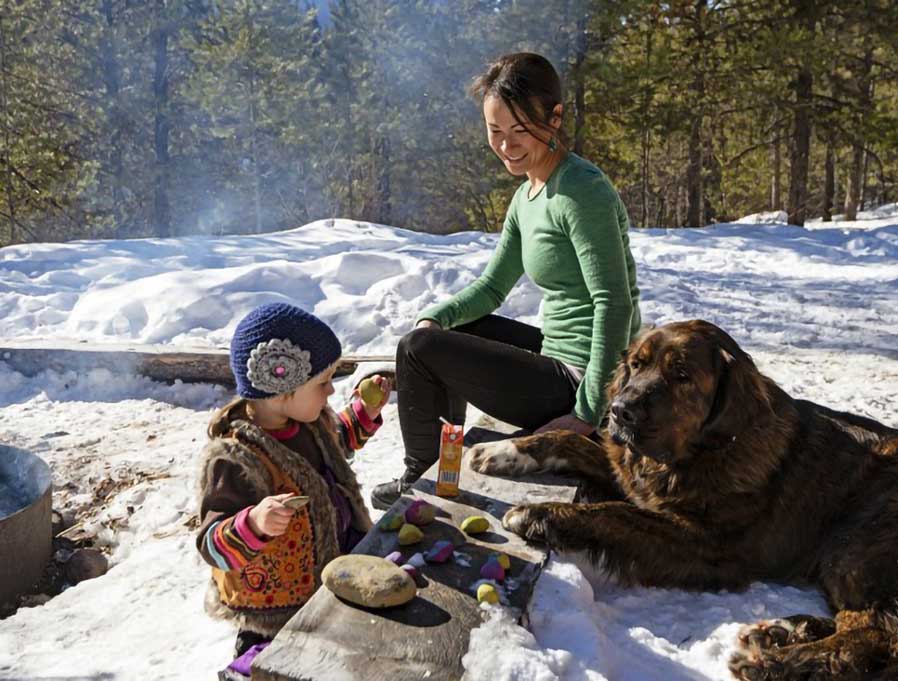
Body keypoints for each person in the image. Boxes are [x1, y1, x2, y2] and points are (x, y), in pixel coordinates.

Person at [372, 52, 640, 510]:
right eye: (495, 131)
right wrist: (435, 317)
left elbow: (614, 303)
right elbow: (494, 287)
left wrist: (588, 411)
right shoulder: (528, 195)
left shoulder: (580, 191)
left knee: (416, 354)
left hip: (584, 380)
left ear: (555, 118)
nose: (506, 145)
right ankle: (444, 466)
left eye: (520, 130)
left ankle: (424, 479)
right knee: (434, 337)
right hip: (557, 357)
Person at [195, 302, 390, 680]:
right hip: (275, 605)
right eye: (323, 382)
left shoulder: (309, 423)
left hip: (330, 570)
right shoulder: (236, 459)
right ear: (281, 386)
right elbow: (211, 544)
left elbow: (339, 445)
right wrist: (254, 522)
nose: (332, 390)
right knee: (274, 660)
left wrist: (364, 411)